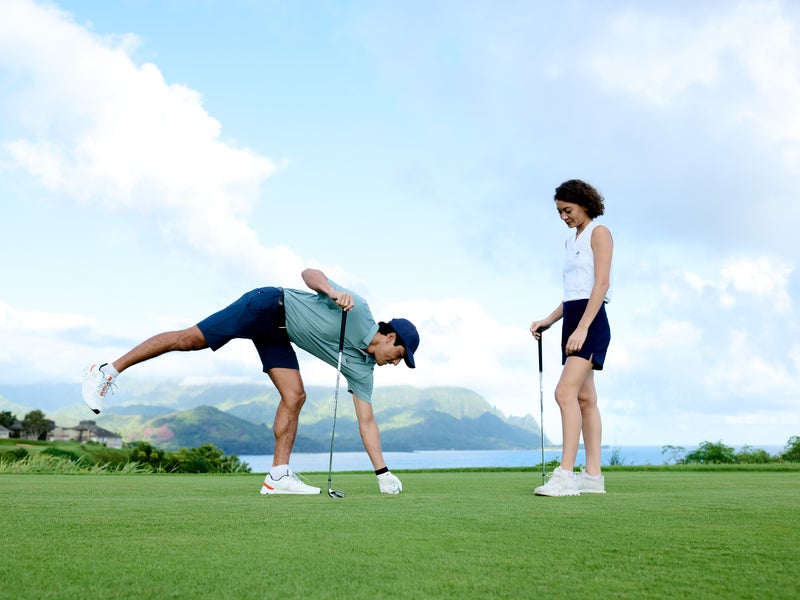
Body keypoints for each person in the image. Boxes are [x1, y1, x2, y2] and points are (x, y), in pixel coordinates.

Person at [82, 268, 420, 496]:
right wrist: (331, 292)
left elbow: (367, 422)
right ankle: (107, 370)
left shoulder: (364, 371)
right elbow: (308, 273)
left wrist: (383, 473)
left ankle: (277, 476)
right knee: (189, 339)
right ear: (389, 336)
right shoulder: (357, 308)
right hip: (265, 305)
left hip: (278, 334)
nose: (395, 363)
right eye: (398, 354)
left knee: (295, 396)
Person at [529, 179, 613, 496]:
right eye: (560, 212)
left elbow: (600, 286)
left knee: (564, 392)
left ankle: (565, 475)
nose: (564, 217)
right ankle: (592, 477)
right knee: (585, 399)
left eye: (568, 210)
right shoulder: (570, 241)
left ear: (584, 203)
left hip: (590, 322)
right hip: (574, 320)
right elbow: (573, 295)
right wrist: (548, 321)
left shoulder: (599, 233)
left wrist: (582, 328)